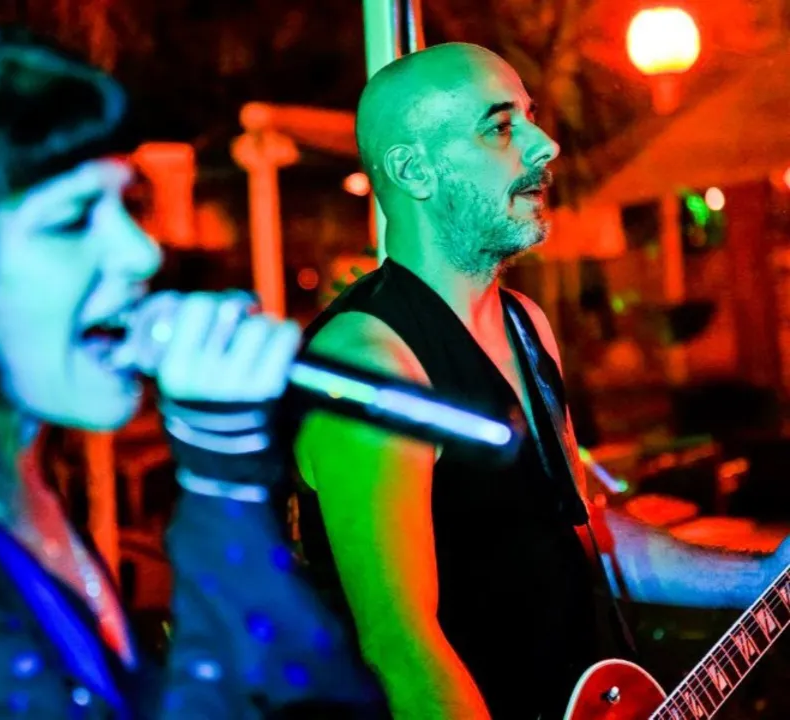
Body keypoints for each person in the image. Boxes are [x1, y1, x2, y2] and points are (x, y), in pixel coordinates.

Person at [0, 14, 382, 719]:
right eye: (71, 220)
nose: (141, 253)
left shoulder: (11, 486)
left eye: (130, 204)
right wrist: (223, 478)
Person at [293, 42, 790, 719]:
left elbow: (578, 531)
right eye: (501, 127)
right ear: (414, 170)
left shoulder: (525, 324)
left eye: (530, 117)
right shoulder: (373, 364)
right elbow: (401, 649)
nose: (545, 144)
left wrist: (760, 580)